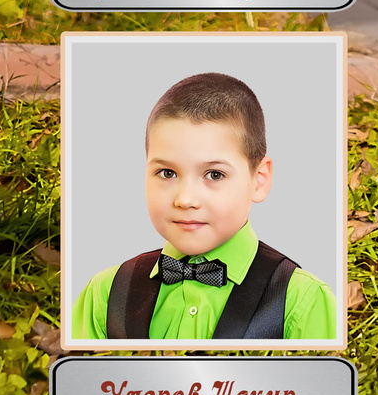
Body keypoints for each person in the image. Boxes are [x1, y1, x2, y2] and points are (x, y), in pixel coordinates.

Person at [71, 71, 338, 340]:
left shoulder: (301, 300)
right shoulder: (105, 294)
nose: (185, 199)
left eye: (214, 175)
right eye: (167, 173)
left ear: (259, 179)